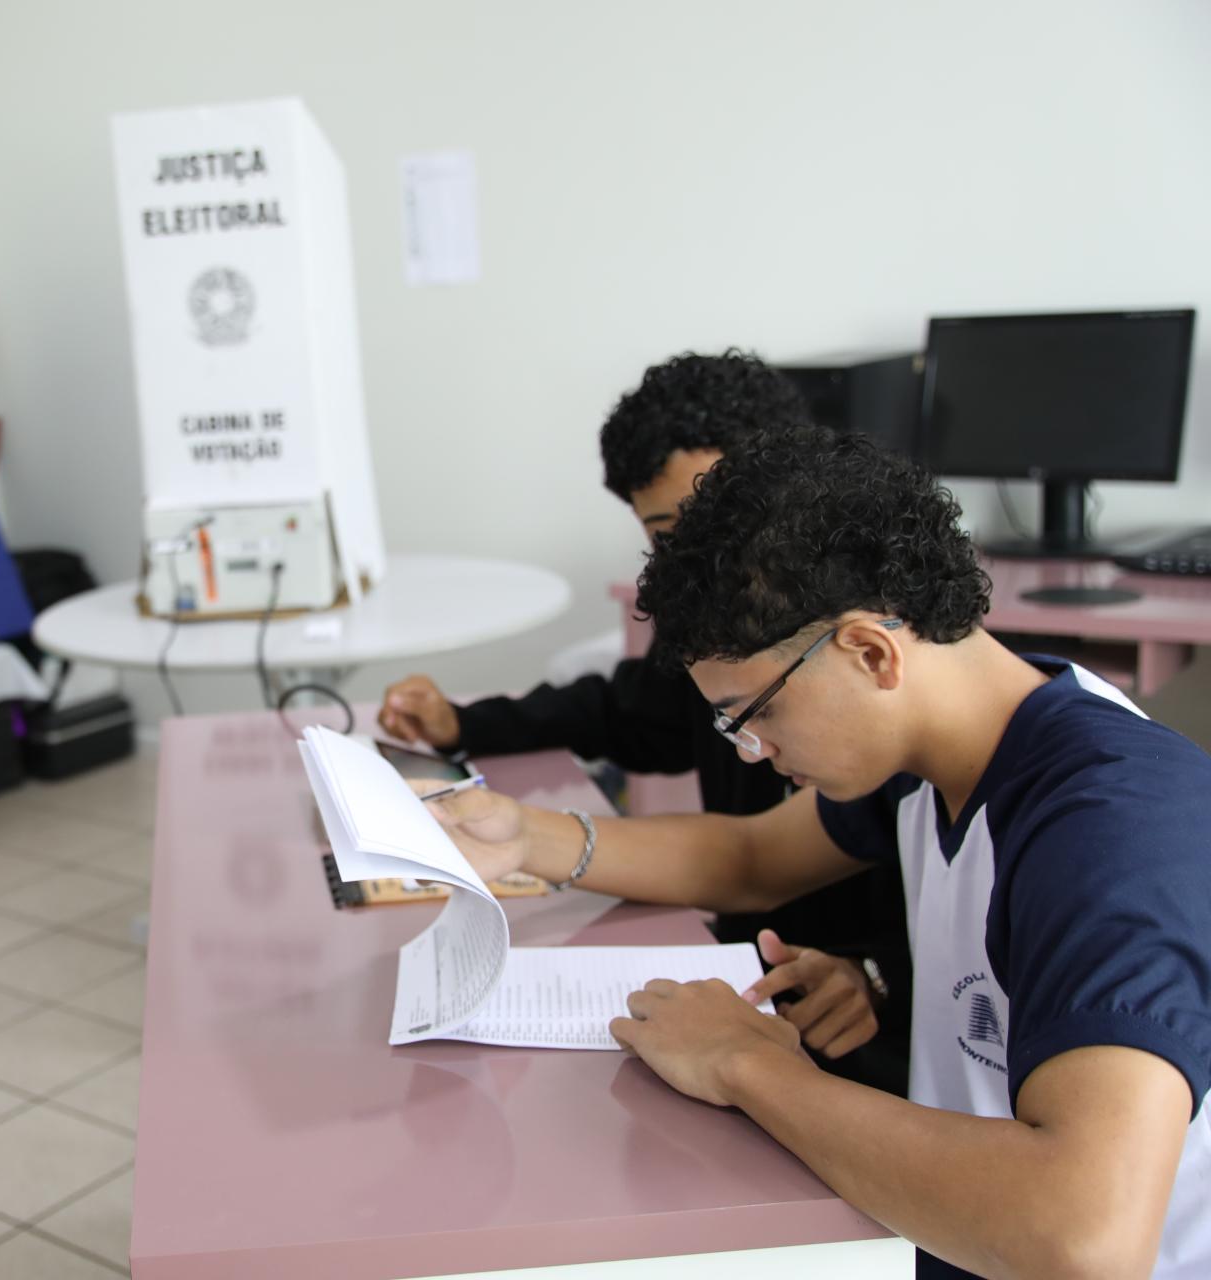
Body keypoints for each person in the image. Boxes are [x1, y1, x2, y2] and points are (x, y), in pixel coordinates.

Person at [426, 427, 1211, 1278]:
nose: (748, 751)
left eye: (752, 713)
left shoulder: (1111, 824)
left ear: (869, 652)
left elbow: (1085, 1241)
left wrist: (746, 1065)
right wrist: (523, 835)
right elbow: (750, 860)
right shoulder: (940, 745)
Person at [382, 352, 908, 1089]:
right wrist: (468, 736)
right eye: (666, 535)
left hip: (853, 1033)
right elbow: (739, 848)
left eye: (704, 522)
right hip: (751, 978)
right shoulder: (714, 610)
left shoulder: (893, 681)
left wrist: (882, 975)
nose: (692, 559)